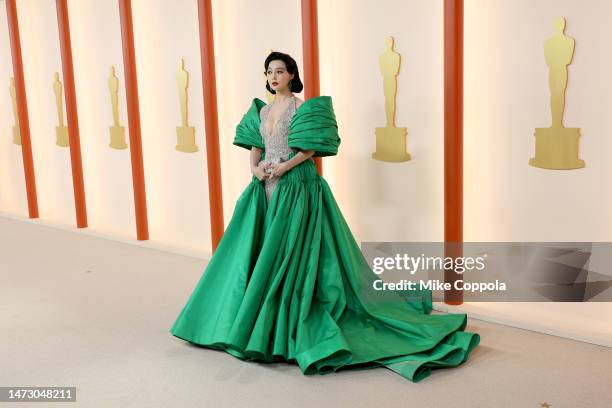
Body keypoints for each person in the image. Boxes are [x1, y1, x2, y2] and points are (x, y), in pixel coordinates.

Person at [170, 51, 480, 382]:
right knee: (254, 251)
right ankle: (252, 316)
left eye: (280, 71)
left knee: (294, 254)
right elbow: (255, 146)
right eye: (269, 72)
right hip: (264, 188)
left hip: (297, 186)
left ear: (291, 75)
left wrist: (285, 167)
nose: (273, 77)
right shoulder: (261, 110)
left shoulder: (302, 108)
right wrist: (256, 169)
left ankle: (287, 317)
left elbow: (312, 148)